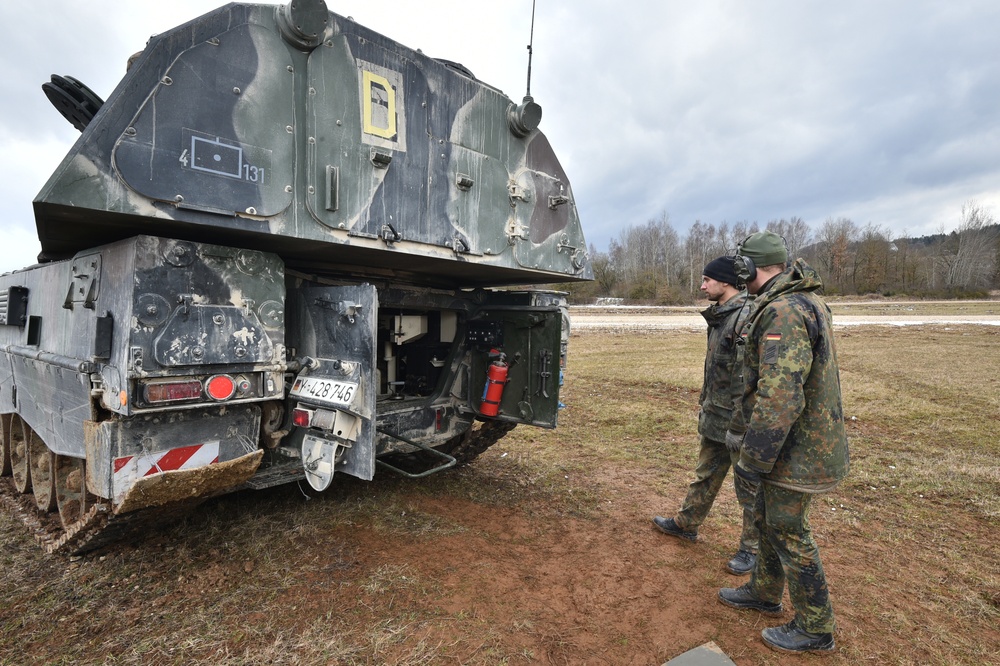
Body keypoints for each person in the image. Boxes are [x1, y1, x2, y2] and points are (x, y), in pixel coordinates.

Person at [717, 231, 849, 655]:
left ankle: (816, 627)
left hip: (795, 449)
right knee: (770, 520)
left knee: (789, 529)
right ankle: (765, 591)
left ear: (749, 268)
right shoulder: (797, 300)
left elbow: (780, 394)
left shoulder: (785, 310)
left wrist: (754, 457)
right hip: (792, 445)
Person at [652, 255, 759, 576]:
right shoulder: (722, 316)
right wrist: (705, 402)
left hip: (740, 422)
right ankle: (687, 523)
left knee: (749, 489)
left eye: (707, 280)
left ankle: (752, 549)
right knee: (706, 473)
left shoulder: (744, 317)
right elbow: (717, 369)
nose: (702, 285)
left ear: (725, 282)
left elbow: (748, 378)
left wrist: (742, 425)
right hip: (716, 414)